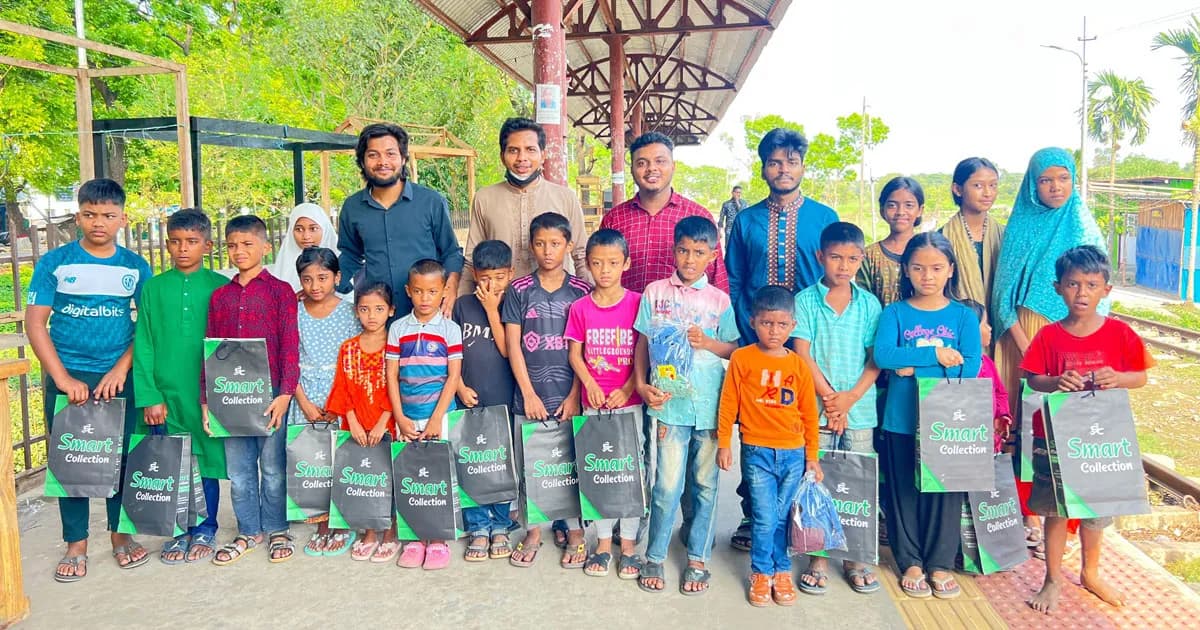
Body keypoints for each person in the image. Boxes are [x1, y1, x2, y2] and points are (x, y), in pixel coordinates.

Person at [27, 178, 152, 581]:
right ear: (78, 215)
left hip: (119, 375)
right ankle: (76, 544)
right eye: (90, 214)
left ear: (122, 218)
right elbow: (35, 324)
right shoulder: (55, 263)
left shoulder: (134, 267)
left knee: (121, 458)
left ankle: (120, 536)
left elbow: (146, 327)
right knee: (74, 460)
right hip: (70, 377)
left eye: (109, 215)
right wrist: (62, 378)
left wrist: (121, 369)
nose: (99, 222)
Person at [1022, 245, 1152, 613]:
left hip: (1103, 438)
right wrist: (1056, 382)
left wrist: (1119, 377)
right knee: (1056, 510)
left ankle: (1090, 573)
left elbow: (1140, 377)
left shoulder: (1120, 334)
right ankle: (1052, 579)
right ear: (1058, 287)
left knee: (1097, 510)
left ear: (1106, 290)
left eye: (1091, 285)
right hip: (1057, 437)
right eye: (1073, 284)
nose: (1082, 293)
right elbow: (1033, 381)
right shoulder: (1049, 336)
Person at [724, 127, 836, 549]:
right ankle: (753, 516)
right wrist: (745, 329)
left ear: (803, 166)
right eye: (775, 161)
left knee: (798, 422)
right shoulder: (747, 220)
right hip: (754, 343)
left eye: (791, 161)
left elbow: (833, 278)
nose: (783, 169)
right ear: (763, 168)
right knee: (754, 427)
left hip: (805, 342)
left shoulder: (823, 218)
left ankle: (799, 519)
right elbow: (734, 278)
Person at [873, 232, 982, 599]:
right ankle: (911, 561)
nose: (927, 276)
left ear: (951, 269)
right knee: (903, 489)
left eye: (936, 268)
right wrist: (935, 355)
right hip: (900, 419)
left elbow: (970, 367)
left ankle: (938, 562)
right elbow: (885, 356)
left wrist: (911, 365)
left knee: (942, 491)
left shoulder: (964, 317)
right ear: (906, 270)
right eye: (918, 268)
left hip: (947, 421)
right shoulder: (895, 313)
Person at [635, 216, 739, 596]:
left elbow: (734, 349)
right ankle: (655, 556)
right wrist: (641, 384)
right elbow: (642, 344)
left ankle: (697, 558)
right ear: (673, 251)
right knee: (665, 486)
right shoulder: (655, 293)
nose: (690, 259)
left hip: (709, 407)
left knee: (705, 485)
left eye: (699, 253)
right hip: (668, 406)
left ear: (713, 256)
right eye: (683, 251)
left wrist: (708, 343)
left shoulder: (720, 301)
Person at [790, 221, 882, 595]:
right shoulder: (805, 301)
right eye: (835, 258)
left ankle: (856, 556)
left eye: (852, 259)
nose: (843, 266)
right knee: (818, 479)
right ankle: (818, 556)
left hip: (858, 410)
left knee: (858, 481)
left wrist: (849, 399)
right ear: (820, 257)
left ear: (861, 259)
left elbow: (875, 359)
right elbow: (802, 353)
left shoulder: (869, 304)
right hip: (817, 410)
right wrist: (831, 399)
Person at [203, 215, 300, 566]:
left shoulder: (280, 292)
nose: (239, 251)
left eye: (247, 244)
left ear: (265, 247)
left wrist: (285, 392)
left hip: (271, 393)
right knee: (240, 471)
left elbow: (290, 345)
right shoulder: (220, 297)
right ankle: (249, 530)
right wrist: (207, 401)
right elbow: (211, 349)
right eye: (232, 245)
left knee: (272, 467)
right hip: (229, 395)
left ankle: (276, 528)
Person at [133, 209, 228, 566]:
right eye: (175, 241)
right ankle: (176, 530)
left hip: (205, 394)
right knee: (170, 461)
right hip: (166, 392)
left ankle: (206, 526)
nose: (182, 249)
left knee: (207, 461)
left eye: (191, 242)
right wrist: (150, 395)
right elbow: (143, 343)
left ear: (207, 244)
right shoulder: (154, 288)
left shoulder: (220, 286)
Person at [718, 285, 822, 607]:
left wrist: (813, 457)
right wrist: (724, 443)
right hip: (757, 451)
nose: (773, 331)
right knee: (764, 517)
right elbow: (728, 403)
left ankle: (782, 571)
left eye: (780, 325)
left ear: (792, 325)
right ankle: (762, 572)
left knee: (781, 518)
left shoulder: (799, 366)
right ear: (753, 322)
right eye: (766, 323)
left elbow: (809, 414)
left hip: (793, 454)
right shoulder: (741, 358)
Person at [501, 212, 591, 569]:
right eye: (540, 243)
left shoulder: (581, 291)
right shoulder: (519, 290)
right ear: (530, 246)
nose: (547, 251)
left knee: (571, 464)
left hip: (569, 394)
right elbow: (513, 344)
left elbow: (583, 351)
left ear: (569, 246)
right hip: (531, 394)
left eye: (555, 243)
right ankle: (535, 529)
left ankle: (575, 531)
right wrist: (528, 393)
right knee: (532, 465)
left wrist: (574, 395)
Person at [993, 147, 1108, 419]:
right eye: (1045, 180)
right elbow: (1002, 294)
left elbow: (1099, 292)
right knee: (1019, 419)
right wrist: (1027, 348)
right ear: (1033, 185)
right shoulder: (1020, 226)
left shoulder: (1085, 228)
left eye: (1064, 178)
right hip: (1024, 334)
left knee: (1066, 419)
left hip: (1076, 338)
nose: (1056, 187)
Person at [564, 229, 644, 579]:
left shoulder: (638, 303)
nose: (605, 270)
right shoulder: (580, 307)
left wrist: (627, 388)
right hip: (594, 403)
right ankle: (602, 543)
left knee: (629, 471)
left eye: (613, 263)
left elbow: (644, 353)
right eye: (597, 264)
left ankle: (628, 544)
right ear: (587, 266)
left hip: (629, 404)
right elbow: (574, 354)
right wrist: (590, 384)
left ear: (626, 263)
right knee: (599, 471)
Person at [337, 122, 464, 317]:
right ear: (362, 161)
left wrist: (452, 286)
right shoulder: (352, 208)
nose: (382, 162)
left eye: (390, 154)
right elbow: (350, 256)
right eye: (373, 155)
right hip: (377, 318)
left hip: (427, 316)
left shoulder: (431, 202)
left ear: (403, 158)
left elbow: (451, 253)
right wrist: (324, 286)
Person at [385, 259, 463, 570]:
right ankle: (415, 538)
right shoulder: (398, 328)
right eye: (418, 291)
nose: (425, 298)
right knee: (412, 475)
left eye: (432, 291)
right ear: (408, 291)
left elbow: (453, 377)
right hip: (407, 414)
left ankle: (439, 539)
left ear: (444, 291)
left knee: (438, 476)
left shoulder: (450, 329)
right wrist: (400, 417)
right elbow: (391, 375)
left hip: (439, 415)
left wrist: (436, 418)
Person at [461, 118, 590, 293]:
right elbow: (471, 258)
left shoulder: (566, 197)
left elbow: (581, 255)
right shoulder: (484, 198)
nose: (522, 158)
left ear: (543, 155)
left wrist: (591, 302)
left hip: (555, 306)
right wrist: (462, 302)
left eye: (530, 150)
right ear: (502, 155)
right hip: (499, 302)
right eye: (513, 150)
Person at [288, 247, 360, 557]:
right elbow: (289, 359)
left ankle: (341, 521)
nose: (315, 286)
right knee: (313, 462)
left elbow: (355, 360)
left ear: (337, 277)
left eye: (323, 277)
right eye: (307, 279)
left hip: (339, 395)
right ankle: (320, 521)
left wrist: (338, 403)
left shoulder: (348, 312)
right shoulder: (294, 312)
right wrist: (302, 401)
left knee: (339, 460)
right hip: (304, 394)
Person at [599, 132, 727, 294]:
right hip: (624, 318)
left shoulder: (698, 216)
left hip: (683, 317)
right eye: (642, 163)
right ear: (631, 170)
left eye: (660, 161)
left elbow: (717, 278)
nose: (651, 168)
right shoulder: (615, 219)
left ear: (673, 166)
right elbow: (600, 269)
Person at [453, 240, 517, 561]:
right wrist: (460, 386)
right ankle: (477, 525)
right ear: (475, 274)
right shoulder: (462, 306)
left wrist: (493, 310)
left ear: (511, 274)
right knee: (471, 462)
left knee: (499, 462)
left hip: (503, 401)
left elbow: (507, 350)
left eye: (500, 277)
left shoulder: (512, 305)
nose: (492, 285)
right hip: (469, 398)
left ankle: (501, 523)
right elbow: (451, 353)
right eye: (485, 277)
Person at [326, 281, 396, 562]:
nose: (372, 315)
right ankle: (369, 530)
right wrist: (351, 421)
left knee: (387, 477)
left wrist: (383, 421)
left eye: (379, 309)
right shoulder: (348, 348)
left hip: (386, 426)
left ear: (390, 311)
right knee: (365, 478)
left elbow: (398, 386)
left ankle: (389, 530)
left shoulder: (395, 345)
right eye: (365, 309)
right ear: (356, 312)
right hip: (355, 425)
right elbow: (342, 387)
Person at [940, 158, 1004, 337]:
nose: (988, 193)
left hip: (1002, 332)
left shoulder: (1006, 236)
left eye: (993, 185)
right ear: (958, 189)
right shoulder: (942, 238)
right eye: (978, 185)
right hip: (958, 330)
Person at [859, 177, 926, 309]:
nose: (900, 212)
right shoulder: (868, 256)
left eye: (909, 205)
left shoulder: (930, 251)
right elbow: (863, 301)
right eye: (892, 205)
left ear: (920, 210)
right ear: (882, 210)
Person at [271, 203, 340, 294]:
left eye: (313, 229)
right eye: (299, 229)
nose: (306, 236)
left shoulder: (341, 264)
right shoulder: (281, 268)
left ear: (325, 229)